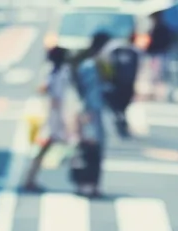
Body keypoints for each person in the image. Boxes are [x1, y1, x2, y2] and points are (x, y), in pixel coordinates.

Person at [23, 46, 70, 192]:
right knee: (46, 147)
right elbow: (56, 98)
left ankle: (30, 179)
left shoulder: (51, 72)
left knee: (45, 148)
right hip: (52, 117)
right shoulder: (58, 73)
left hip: (50, 116)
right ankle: (29, 179)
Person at [71, 31, 110, 198]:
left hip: (94, 112)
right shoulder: (91, 66)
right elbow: (85, 91)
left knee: (92, 150)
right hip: (91, 113)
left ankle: (90, 185)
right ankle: (87, 184)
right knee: (90, 150)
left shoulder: (91, 64)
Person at [104, 31, 140, 137]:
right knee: (121, 108)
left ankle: (121, 122)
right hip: (125, 84)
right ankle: (121, 123)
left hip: (120, 84)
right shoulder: (132, 52)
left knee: (120, 108)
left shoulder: (116, 51)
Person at [146, 12, 174, 100]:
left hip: (160, 54)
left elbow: (165, 42)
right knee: (153, 75)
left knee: (160, 74)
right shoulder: (153, 28)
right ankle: (153, 92)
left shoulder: (162, 28)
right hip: (155, 54)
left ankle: (165, 92)